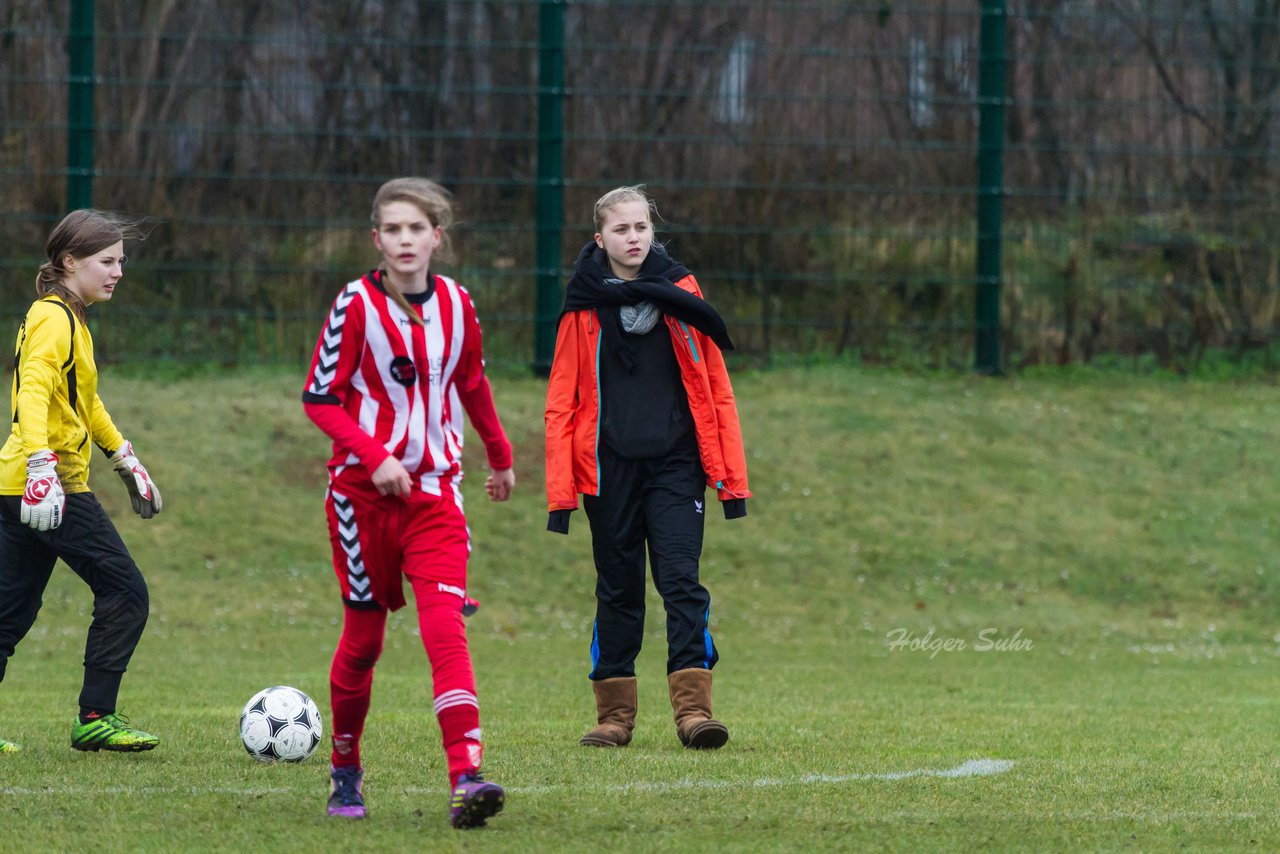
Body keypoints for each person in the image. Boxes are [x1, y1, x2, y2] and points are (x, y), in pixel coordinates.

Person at [302, 178, 514, 829]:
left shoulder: (457, 303)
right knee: (363, 643)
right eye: (392, 229)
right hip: (361, 502)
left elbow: (472, 380)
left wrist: (500, 456)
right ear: (376, 239)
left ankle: (466, 776)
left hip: (436, 498)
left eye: (415, 229)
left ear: (437, 238)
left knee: (443, 625)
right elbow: (319, 397)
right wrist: (375, 455)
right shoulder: (355, 305)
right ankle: (345, 770)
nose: (403, 240)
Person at [544, 186, 750, 750]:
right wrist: (561, 488)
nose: (633, 238)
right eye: (621, 230)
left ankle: (693, 713)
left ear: (652, 232)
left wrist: (730, 475)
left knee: (681, 582)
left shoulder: (682, 292)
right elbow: (562, 398)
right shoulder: (582, 302)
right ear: (600, 239)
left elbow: (716, 388)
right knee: (618, 589)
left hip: (677, 468)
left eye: (641, 228)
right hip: (608, 472)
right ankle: (614, 718)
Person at [0, 209, 164, 754]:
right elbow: (31, 391)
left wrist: (124, 456)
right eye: (107, 261)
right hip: (47, 484)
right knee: (125, 590)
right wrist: (43, 466)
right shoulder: (53, 318)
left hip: (19, 481)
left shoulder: (72, 317)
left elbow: (83, 401)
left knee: (9, 612)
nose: (118, 271)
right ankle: (96, 717)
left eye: (121, 260)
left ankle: (96, 716)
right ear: (69, 262)